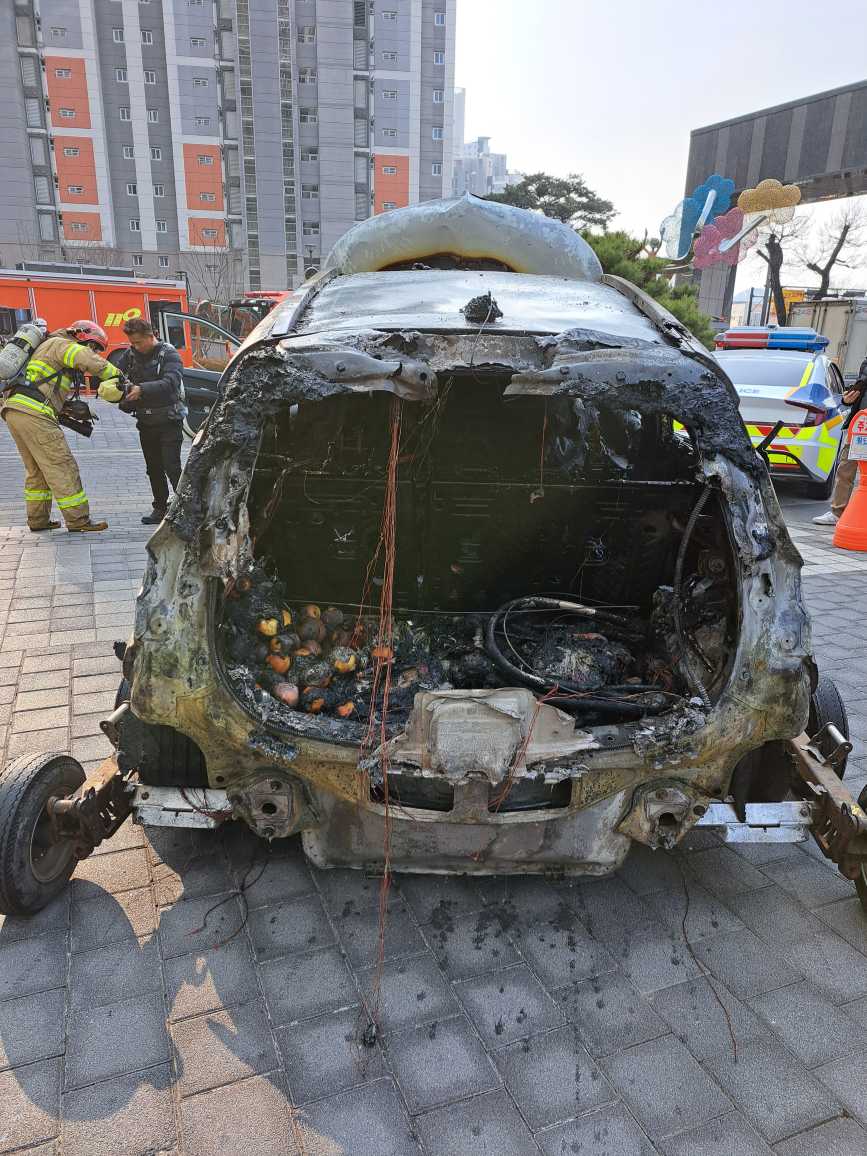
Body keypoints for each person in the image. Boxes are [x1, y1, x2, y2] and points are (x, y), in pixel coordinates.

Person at [0, 320, 124, 532]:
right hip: (34, 412)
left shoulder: (47, 346)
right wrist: (117, 375)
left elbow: (44, 385)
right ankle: (78, 520)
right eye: (94, 346)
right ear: (82, 337)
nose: (94, 352)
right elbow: (86, 358)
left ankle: (38, 520)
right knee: (62, 465)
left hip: (15, 410)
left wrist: (66, 408)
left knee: (37, 470)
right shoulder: (62, 344)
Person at [111, 317, 185, 525]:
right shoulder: (130, 355)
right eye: (132, 343)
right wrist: (115, 388)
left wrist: (141, 389)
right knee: (153, 468)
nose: (135, 347)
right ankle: (160, 508)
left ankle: (185, 507)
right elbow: (116, 375)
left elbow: (171, 382)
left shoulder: (169, 354)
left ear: (150, 336)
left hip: (169, 421)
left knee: (172, 466)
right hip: (146, 422)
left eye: (138, 342)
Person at [814, 355, 867, 526]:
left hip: (861, 423)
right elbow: (861, 388)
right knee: (846, 467)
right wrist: (847, 399)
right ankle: (837, 512)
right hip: (861, 424)